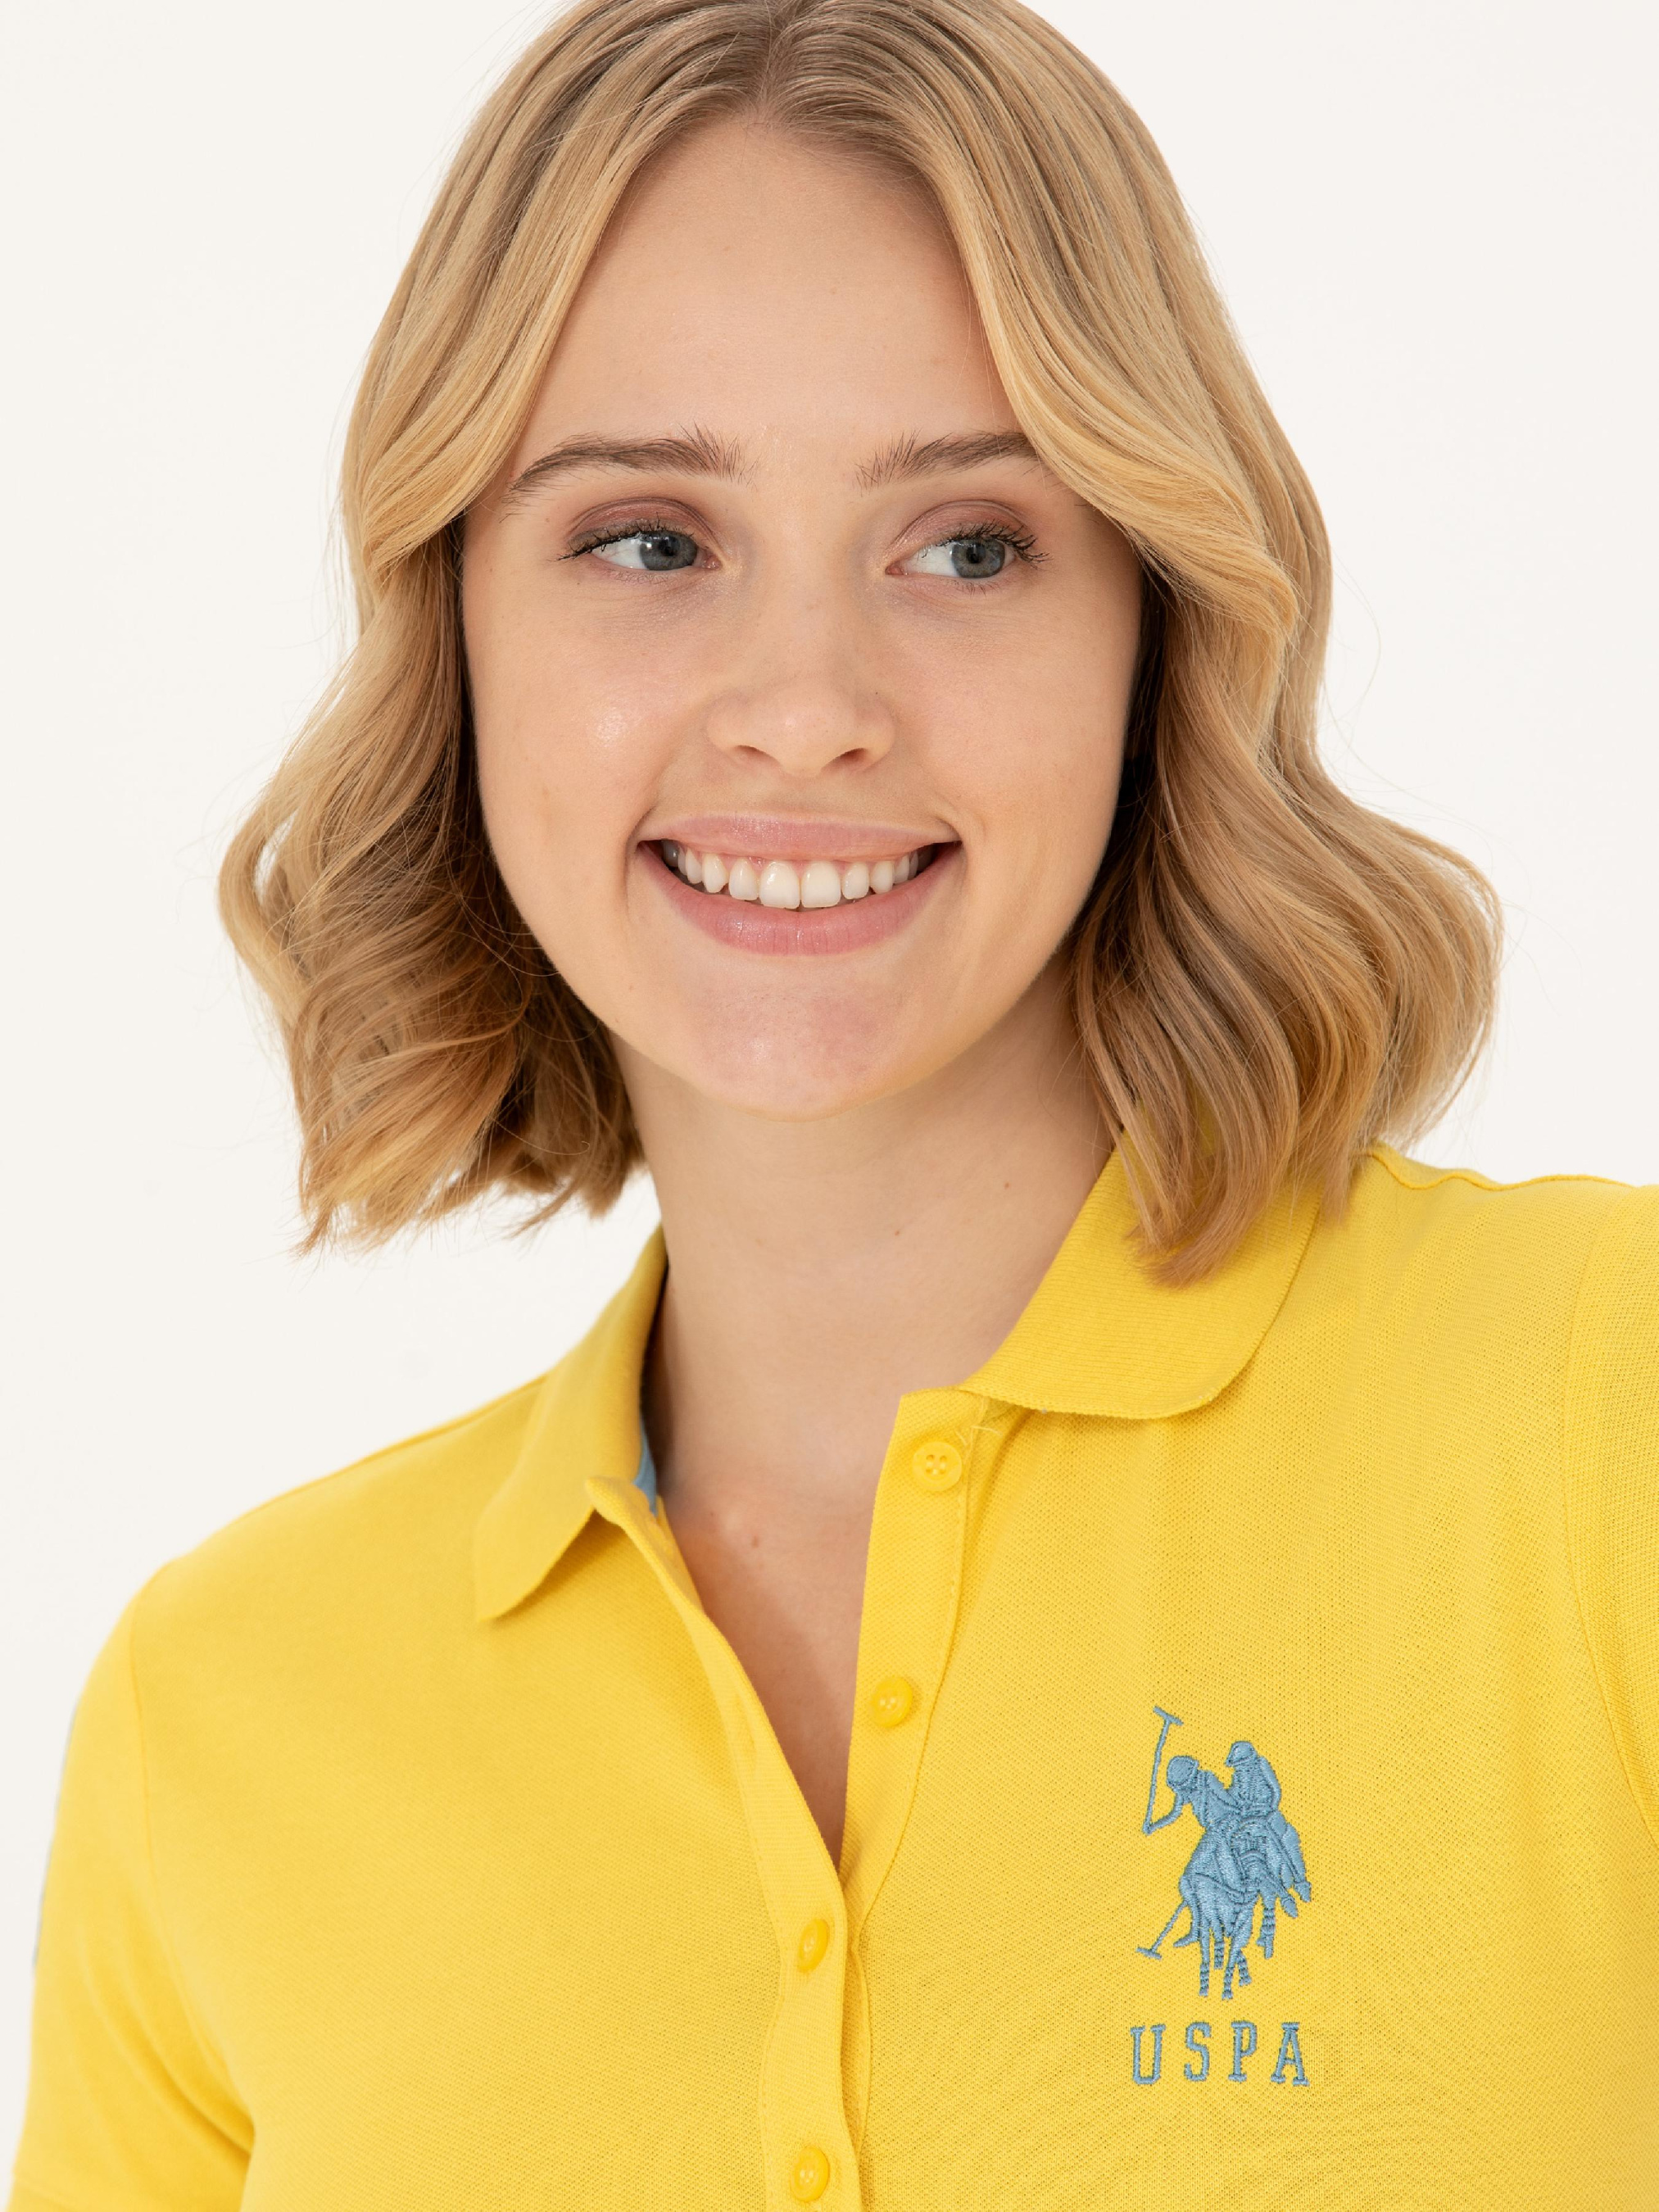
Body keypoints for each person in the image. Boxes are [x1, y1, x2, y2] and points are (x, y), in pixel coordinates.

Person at [9, 0, 1657, 2204]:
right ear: (455, 628)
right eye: (648, 540)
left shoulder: (1601, 1415)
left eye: (967, 545)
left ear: (1154, 628)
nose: (803, 712)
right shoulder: (218, 1712)